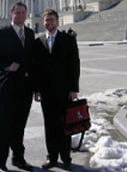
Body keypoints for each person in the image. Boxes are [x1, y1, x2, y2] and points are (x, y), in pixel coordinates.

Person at [0, 2, 35, 172]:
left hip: (26, 88)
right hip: (8, 87)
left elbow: (32, 62)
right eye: (17, 13)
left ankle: (18, 158)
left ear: (26, 14)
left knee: (20, 125)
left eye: (23, 12)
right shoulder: (2, 33)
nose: (20, 15)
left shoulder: (30, 33)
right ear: (11, 14)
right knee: (5, 125)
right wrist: (7, 66)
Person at [33, 9, 80, 170]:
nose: (49, 23)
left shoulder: (68, 39)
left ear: (57, 22)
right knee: (50, 125)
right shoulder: (39, 41)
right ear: (44, 22)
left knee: (64, 125)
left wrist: (74, 89)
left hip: (64, 91)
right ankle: (52, 157)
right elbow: (36, 68)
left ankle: (66, 158)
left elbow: (74, 65)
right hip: (46, 92)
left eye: (52, 20)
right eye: (46, 20)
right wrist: (37, 90)